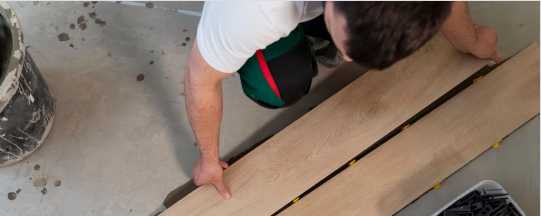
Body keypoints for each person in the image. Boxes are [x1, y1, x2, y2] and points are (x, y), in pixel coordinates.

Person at [185, 1, 502, 199]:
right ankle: (304, 34)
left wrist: (472, 41)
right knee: (279, 86)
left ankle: (319, 28)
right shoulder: (254, 11)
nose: (347, 58)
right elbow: (200, 80)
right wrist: (208, 160)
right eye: (350, 48)